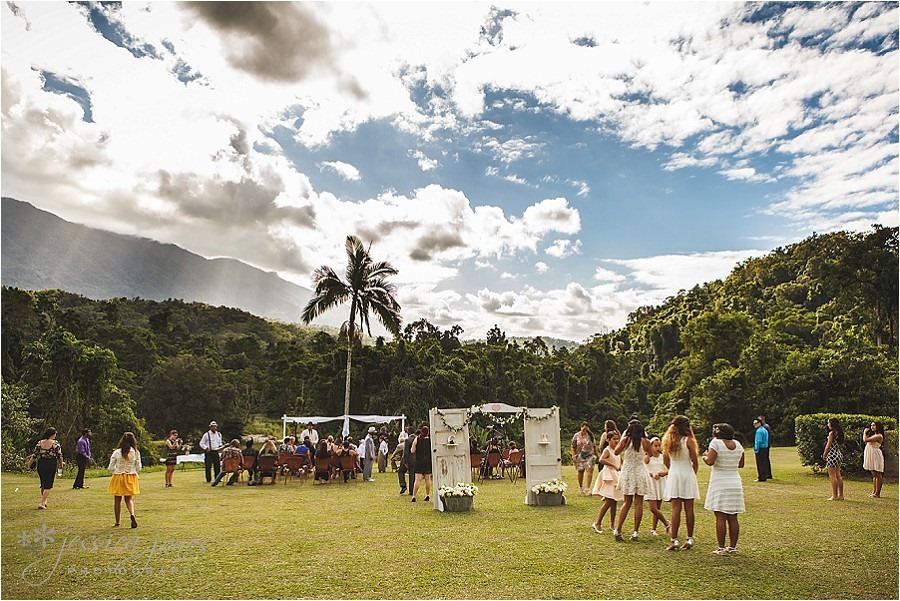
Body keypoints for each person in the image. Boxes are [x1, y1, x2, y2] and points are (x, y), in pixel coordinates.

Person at [702, 423, 745, 555]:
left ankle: (721, 547)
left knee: (720, 516)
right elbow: (741, 464)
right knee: (733, 517)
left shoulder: (716, 444)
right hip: (735, 482)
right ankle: (732, 547)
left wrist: (705, 456)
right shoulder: (738, 444)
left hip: (720, 482)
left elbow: (710, 461)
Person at [662, 415, 700, 551]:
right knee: (689, 508)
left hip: (674, 473)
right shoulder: (689, 441)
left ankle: (674, 539)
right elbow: (695, 461)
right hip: (687, 473)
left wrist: (672, 469)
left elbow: (665, 460)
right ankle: (689, 538)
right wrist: (692, 473)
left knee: (675, 509)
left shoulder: (668, 441)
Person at [613, 419, 654, 541]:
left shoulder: (626, 440)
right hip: (640, 470)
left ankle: (618, 529)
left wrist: (623, 438)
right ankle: (635, 531)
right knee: (638, 504)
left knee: (627, 502)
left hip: (628, 471)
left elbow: (616, 452)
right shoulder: (645, 441)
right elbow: (650, 454)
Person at [107, 432, 141, 528]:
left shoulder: (117, 452)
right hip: (130, 476)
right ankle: (132, 514)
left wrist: (116, 470)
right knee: (129, 499)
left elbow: (110, 467)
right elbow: (139, 467)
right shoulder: (135, 452)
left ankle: (117, 521)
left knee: (117, 500)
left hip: (118, 476)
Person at [592, 431, 623, 534]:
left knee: (614, 501)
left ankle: (612, 524)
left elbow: (620, 461)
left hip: (616, 475)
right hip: (609, 475)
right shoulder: (607, 450)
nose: (616, 441)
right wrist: (613, 466)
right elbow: (601, 459)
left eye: (617, 439)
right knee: (609, 501)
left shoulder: (617, 451)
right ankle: (598, 522)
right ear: (608, 440)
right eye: (614, 439)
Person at [32, 427, 64, 510]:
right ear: (52, 434)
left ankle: (44, 500)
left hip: (41, 463)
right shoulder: (55, 444)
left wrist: (29, 464)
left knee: (43, 483)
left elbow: (34, 455)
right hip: (51, 463)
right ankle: (42, 503)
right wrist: (60, 465)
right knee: (48, 484)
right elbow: (59, 456)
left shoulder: (40, 443)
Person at [644, 436, 670, 536]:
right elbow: (644, 470)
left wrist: (664, 473)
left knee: (658, 507)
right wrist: (651, 474)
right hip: (651, 483)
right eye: (655, 446)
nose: (657, 448)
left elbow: (671, 468)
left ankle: (654, 528)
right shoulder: (647, 457)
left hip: (660, 482)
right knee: (653, 508)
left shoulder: (662, 457)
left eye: (659, 446)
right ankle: (666, 523)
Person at [571, 422, 598, 495]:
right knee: (581, 471)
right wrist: (573, 456)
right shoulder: (576, 436)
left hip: (590, 455)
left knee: (589, 470)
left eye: (586, 429)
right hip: (580, 456)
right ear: (581, 427)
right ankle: (581, 487)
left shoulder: (590, 436)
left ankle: (588, 489)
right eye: (583, 428)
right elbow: (573, 446)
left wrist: (597, 455)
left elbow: (594, 446)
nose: (584, 430)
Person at [823, 417, 845, 501]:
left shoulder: (831, 433)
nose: (828, 425)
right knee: (838, 475)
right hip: (838, 454)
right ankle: (841, 495)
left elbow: (828, 446)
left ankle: (834, 495)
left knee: (832, 476)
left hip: (832, 455)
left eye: (828, 423)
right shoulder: (839, 433)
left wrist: (824, 455)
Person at [411, 425, 432, 503]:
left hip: (419, 461)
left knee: (417, 479)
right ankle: (427, 494)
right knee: (428, 479)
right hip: (427, 461)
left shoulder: (417, 439)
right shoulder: (430, 440)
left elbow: (412, 450)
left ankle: (414, 496)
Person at [863, 421, 885, 498]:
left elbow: (865, 440)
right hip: (871, 454)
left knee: (878, 474)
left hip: (875, 454)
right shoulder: (874, 435)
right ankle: (874, 491)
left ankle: (877, 493)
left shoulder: (879, 436)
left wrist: (864, 432)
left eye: (874, 425)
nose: (872, 427)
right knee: (874, 474)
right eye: (871, 425)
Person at [399, 426, 416, 494]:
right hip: (415, 459)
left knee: (400, 471)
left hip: (408, 459)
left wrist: (405, 461)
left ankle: (403, 485)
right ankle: (412, 490)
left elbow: (406, 452)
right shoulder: (417, 439)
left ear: (408, 432)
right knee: (412, 475)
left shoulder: (407, 440)